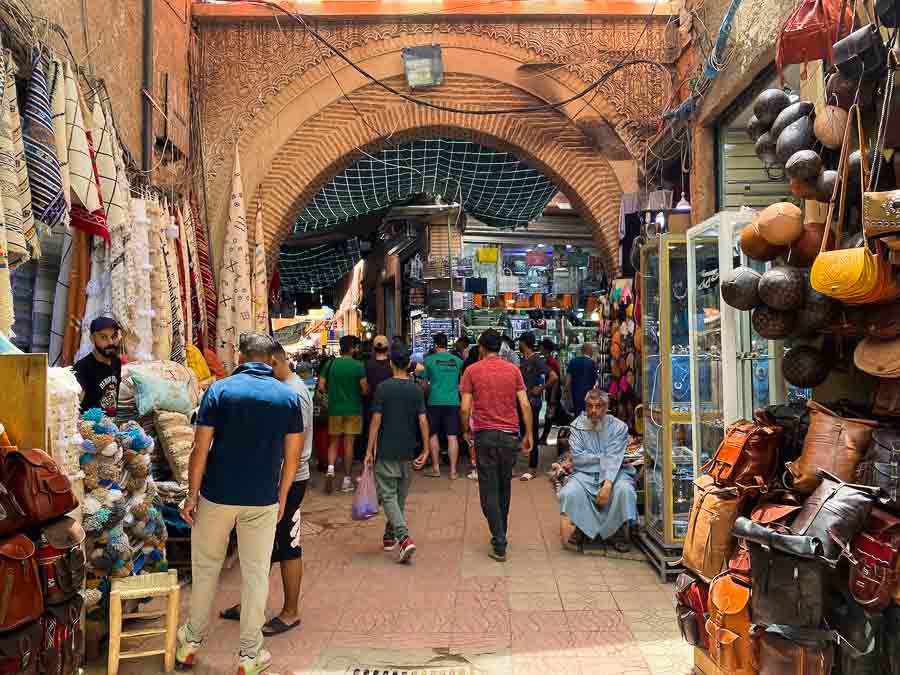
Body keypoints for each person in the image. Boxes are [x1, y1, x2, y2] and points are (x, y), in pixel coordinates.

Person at [175, 334, 303, 675]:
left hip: (216, 496)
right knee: (256, 575)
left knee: (206, 570)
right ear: (270, 360)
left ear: (241, 356)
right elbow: (292, 459)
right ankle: (249, 655)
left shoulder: (220, 391)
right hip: (262, 499)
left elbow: (199, 449)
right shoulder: (288, 398)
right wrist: (282, 498)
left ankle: (190, 643)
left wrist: (191, 495)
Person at [219, 343, 313, 636]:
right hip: (269, 480)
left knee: (288, 546)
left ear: (272, 362)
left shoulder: (293, 394)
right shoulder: (277, 391)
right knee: (259, 544)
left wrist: (281, 491)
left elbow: (293, 451)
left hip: (290, 481)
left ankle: (290, 612)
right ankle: (251, 603)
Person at [460, 329, 533, 562]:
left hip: (485, 436)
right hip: (510, 436)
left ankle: (499, 539)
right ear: (500, 348)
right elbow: (525, 404)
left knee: (488, 489)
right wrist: (528, 433)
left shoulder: (471, 371)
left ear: (481, 348)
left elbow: (464, 408)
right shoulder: (513, 370)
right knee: (504, 487)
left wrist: (465, 430)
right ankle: (500, 533)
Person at [365, 342, 430, 562]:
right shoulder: (416, 389)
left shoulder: (383, 388)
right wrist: (427, 447)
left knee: (389, 496)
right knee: (399, 497)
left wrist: (369, 449)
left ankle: (404, 538)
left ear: (392, 363)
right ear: (409, 364)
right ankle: (389, 535)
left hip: (386, 449)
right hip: (408, 450)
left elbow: (376, 420)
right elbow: (422, 420)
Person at [559, 389, 637, 553]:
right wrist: (605, 458)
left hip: (616, 473)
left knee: (624, 490)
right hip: (585, 474)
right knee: (570, 492)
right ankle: (582, 528)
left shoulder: (619, 427)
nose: (594, 411)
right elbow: (579, 459)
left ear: (606, 407)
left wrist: (607, 483)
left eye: (598, 406)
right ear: (586, 407)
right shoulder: (576, 427)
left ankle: (617, 532)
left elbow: (615, 457)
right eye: (590, 406)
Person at [318, 335, 368, 493]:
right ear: (352, 348)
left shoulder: (330, 364)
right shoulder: (358, 366)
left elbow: (320, 386)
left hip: (334, 409)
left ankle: (331, 469)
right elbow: (365, 389)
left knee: (333, 441)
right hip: (353, 410)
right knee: (349, 444)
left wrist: (331, 393)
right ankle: (347, 479)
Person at [422, 332, 464, 479]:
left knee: (433, 434)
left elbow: (424, 384)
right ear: (447, 344)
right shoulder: (458, 361)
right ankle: (453, 471)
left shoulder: (428, 360)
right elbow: (461, 384)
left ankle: (436, 469)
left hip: (434, 401)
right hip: (453, 402)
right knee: (452, 436)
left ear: (435, 345)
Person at [518, 331, 557, 474]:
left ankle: (532, 467)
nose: (518, 344)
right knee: (525, 432)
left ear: (524, 343)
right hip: (523, 402)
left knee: (532, 432)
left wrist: (541, 388)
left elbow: (553, 377)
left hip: (532, 402)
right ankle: (527, 461)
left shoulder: (536, 360)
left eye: (520, 342)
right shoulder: (523, 359)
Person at [73, 316, 123, 417]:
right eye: (103, 337)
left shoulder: (116, 362)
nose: (110, 342)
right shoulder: (83, 367)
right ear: (92, 338)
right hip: (90, 426)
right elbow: (74, 403)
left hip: (111, 424)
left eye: (113, 336)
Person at [566, 343, 598, 418]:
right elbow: (595, 383)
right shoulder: (592, 363)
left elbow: (568, 382)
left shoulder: (573, 361)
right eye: (592, 350)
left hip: (575, 396)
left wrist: (568, 396)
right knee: (588, 418)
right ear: (589, 351)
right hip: (588, 396)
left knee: (577, 418)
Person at [540, 338, 562, 445]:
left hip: (553, 393)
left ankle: (544, 438)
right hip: (552, 393)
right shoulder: (550, 361)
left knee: (550, 416)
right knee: (552, 415)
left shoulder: (551, 362)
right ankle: (544, 438)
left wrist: (552, 396)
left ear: (545, 349)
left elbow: (556, 380)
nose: (540, 349)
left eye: (541, 347)